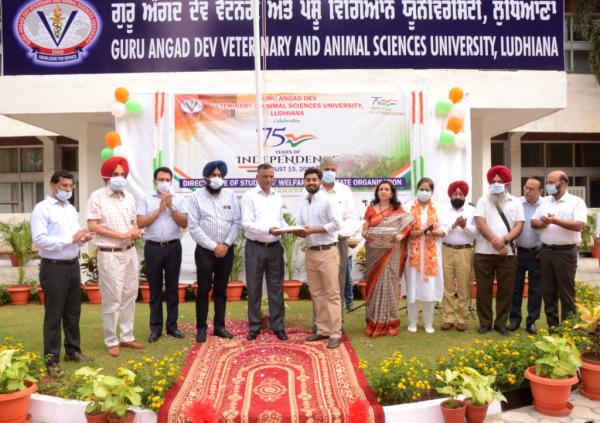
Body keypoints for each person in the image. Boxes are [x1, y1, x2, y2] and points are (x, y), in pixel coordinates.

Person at [30, 170, 93, 378]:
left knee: (73, 312)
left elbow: (74, 236)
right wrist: (70, 240)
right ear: (53, 186)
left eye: (70, 187)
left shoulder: (71, 209)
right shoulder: (42, 209)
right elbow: (39, 239)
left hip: (72, 265)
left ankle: (73, 351)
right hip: (53, 266)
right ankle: (51, 360)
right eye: (64, 186)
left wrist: (83, 238)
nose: (67, 190)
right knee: (54, 314)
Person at [87, 157, 145, 357]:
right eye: (116, 174)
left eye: (122, 174)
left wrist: (136, 231)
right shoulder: (97, 197)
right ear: (107, 176)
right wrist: (120, 235)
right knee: (112, 299)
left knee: (130, 294)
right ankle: (111, 340)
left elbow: (133, 222)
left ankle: (127, 336)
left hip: (130, 251)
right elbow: (92, 226)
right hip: (109, 254)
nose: (120, 178)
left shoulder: (128, 197)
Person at [188, 160, 241, 343]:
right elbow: (193, 227)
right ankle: (201, 328)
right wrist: (214, 246)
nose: (217, 178)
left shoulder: (230, 195)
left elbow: (237, 222)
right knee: (203, 289)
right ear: (206, 177)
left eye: (220, 175)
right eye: (213, 175)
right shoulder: (196, 197)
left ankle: (219, 327)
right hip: (205, 251)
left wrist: (225, 244)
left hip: (226, 250)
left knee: (221, 290)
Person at [137, 167, 188, 343]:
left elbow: (184, 223)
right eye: (161, 179)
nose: (164, 183)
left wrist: (171, 206)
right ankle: (155, 328)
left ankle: (172, 327)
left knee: (173, 288)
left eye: (167, 180)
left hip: (173, 247)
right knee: (155, 289)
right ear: (154, 181)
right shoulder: (145, 198)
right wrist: (159, 210)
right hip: (153, 248)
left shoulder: (180, 199)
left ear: (171, 182)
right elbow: (140, 222)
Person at [532, 170, 587, 328]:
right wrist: (544, 223)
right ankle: (553, 328)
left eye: (550, 182)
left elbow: (578, 225)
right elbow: (533, 222)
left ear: (562, 183)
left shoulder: (576, 202)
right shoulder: (544, 201)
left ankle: (569, 328)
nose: (547, 185)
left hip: (565, 253)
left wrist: (555, 220)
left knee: (566, 294)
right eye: (547, 182)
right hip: (546, 252)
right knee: (548, 293)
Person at [474, 165, 524, 336]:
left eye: (500, 181)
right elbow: (480, 223)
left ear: (507, 183)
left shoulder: (515, 202)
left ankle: (501, 323)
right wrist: (495, 241)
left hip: (508, 254)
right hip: (483, 252)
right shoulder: (483, 200)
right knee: (483, 290)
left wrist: (504, 240)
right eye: (493, 181)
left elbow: (519, 225)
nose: (496, 184)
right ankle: (485, 323)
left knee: (506, 290)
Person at [295, 168, 342, 349]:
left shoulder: (328, 200)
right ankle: (322, 330)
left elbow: (337, 223)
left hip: (327, 251)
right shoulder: (304, 201)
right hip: (311, 251)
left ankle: (335, 333)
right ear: (304, 182)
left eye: (314, 179)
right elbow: (300, 224)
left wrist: (313, 230)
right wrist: (299, 232)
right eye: (308, 180)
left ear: (320, 182)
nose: (311, 183)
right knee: (316, 293)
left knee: (332, 294)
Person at [241, 163, 288, 341]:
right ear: (257, 178)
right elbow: (247, 223)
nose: (268, 180)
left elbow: (280, 220)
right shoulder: (249, 196)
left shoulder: (277, 196)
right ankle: (254, 326)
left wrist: (286, 229)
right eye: (265, 177)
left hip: (275, 247)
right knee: (254, 287)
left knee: (276, 287)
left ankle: (278, 326)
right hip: (255, 247)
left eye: (271, 177)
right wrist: (269, 230)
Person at [361, 181, 413, 337]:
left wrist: (401, 235)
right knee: (374, 284)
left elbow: (408, 225)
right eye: (381, 189)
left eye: (387, 189)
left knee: (389, 283)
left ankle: (389, 322)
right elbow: (366, 225)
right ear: (377, 192)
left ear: (392, 193)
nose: (383, 191)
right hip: (374, 251)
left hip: (391, 251)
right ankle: (373, 321)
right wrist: (365, 233)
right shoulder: (371, 209)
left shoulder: (398, 210)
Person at [405, 178, 446, 334]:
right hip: (413, 255)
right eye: (422, 189)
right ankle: (412, 322)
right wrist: (420, 231)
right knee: (412, 288)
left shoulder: (438, 208)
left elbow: (444, 228)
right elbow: (405, 229)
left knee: (430, 288)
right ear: (417, 190)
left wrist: (433, 231)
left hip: (432, 255)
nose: (424, 192)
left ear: (432, 192)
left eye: (427, 189)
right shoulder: (408, 207)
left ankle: (428, 322)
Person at [320, 156, 359, 320]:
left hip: (339, 242)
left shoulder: (344, 191)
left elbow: (351, 216)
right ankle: (320, 323)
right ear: (320, 170)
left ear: (337, 171)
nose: (329, 172)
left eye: (333, 169)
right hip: (319, 242)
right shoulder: (312, 190)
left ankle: (338, 323)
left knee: (339, 283)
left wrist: (341, 233)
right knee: (321, 286)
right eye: (326, 169)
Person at [508, 177, 544, 335]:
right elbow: (511, 225)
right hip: (519, 252)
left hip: (538, 253)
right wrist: (512, 249)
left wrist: (543, 248)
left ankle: (532, 321)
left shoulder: (546, 204)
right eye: (526, 188)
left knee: (536, 289)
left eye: (532, 189)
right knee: (515, 288)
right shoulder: (517, 203)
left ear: (540, 191)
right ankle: (514, 320)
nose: (527, 191)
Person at [440, 180, 476, 332]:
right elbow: (440, 230)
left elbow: (476, 233)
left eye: (461, 194)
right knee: (447, 286)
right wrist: (454, 225)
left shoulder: (472, 210)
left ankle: (462, 318)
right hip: (446, 249)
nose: (458, 196)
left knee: (463, 287)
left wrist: (464, 226)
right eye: (455, 193)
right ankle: (448, 318)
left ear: (465, 195)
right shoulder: (443, 210)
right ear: (450, 195)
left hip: (465, 251)